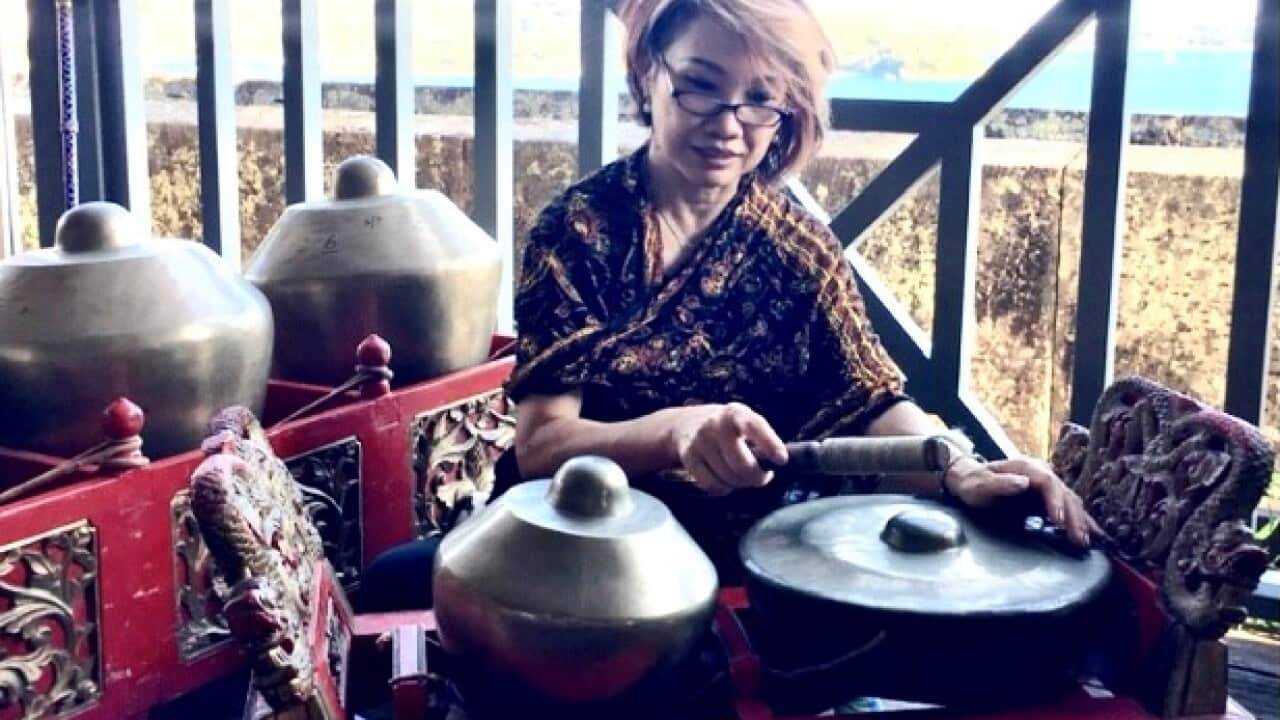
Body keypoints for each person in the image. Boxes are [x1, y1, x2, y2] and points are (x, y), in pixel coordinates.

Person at [361, 0, 1095, 609]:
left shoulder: (797, 249)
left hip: (753, 555)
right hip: (574, 544)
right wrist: (681, 431)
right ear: (649, 72)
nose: (728, 122)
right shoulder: (579, 228)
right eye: (702, 86)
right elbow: (543, 444)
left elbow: (871, 402)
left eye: (760, 99)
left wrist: (963, 469)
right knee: (389, 586)